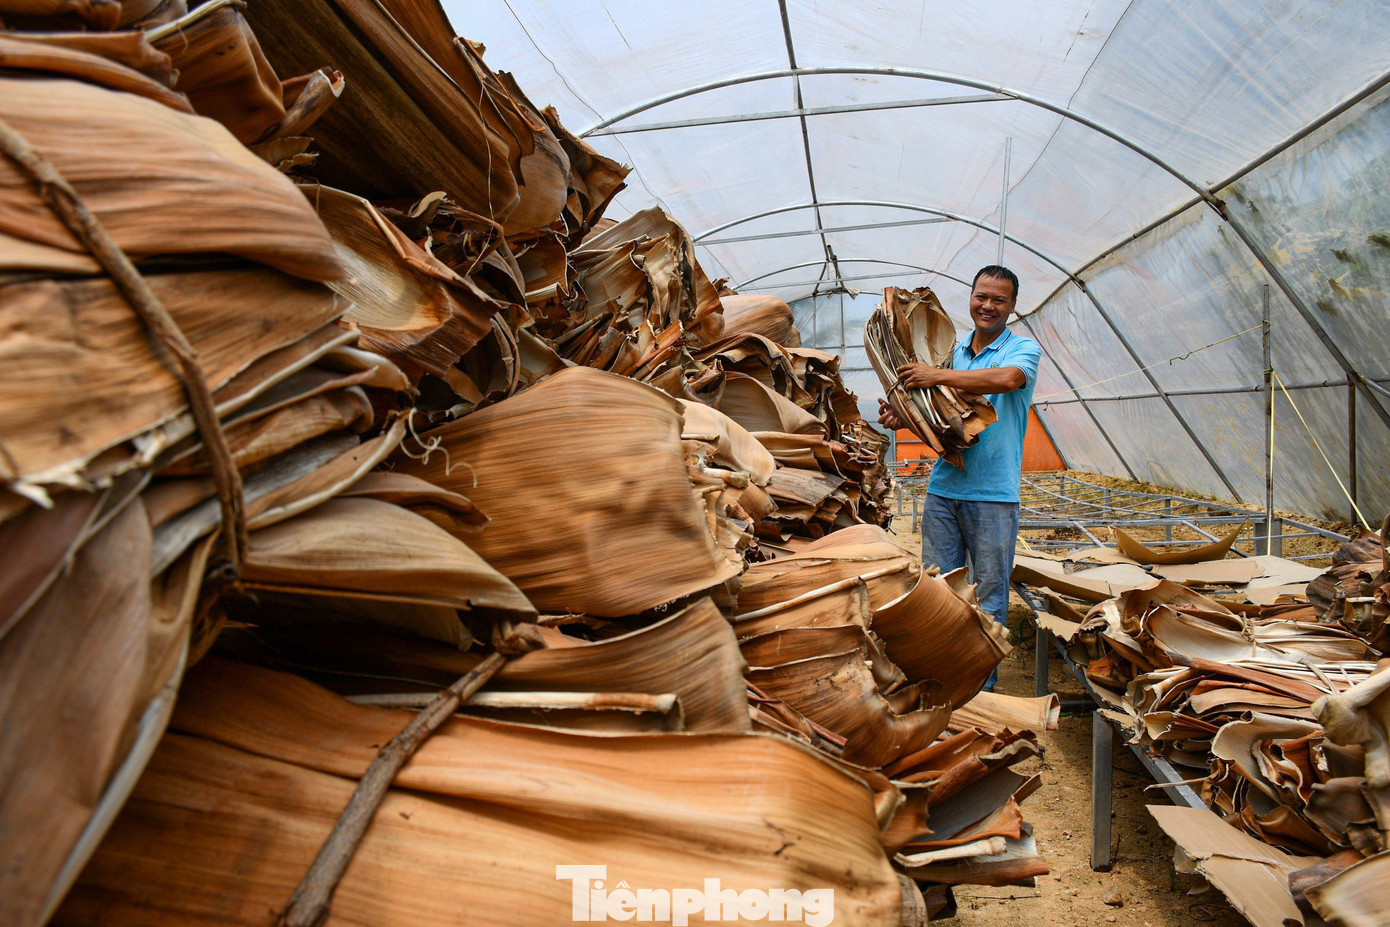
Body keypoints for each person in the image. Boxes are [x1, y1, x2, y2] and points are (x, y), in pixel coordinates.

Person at [876, 265, 1041, 691]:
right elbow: (944, 420)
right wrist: (904, 417)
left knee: (988, 597)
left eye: (999, 300)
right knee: (938, 591)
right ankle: (941, 682)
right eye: (981, 296)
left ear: (1012, 306)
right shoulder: (950, 351)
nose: (988, 306)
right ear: (970, 297)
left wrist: (935, 375)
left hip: (994, 495)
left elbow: (1006, 380)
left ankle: (981, 692)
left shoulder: (1021, 350)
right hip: (945, 490)